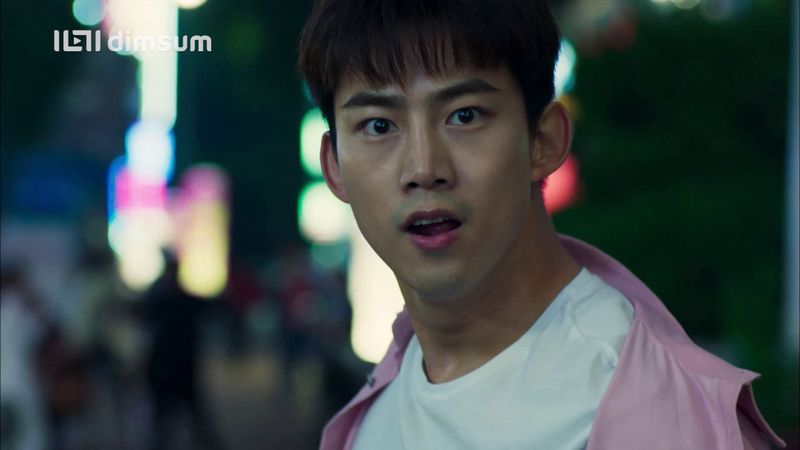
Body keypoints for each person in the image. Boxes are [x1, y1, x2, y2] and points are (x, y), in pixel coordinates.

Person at [297, 1, 786, 449]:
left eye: (464, 116)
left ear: (544, 141)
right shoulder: (373, 414)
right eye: (379, 126)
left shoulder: (663, 412)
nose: (424, 168)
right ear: (334, 166)